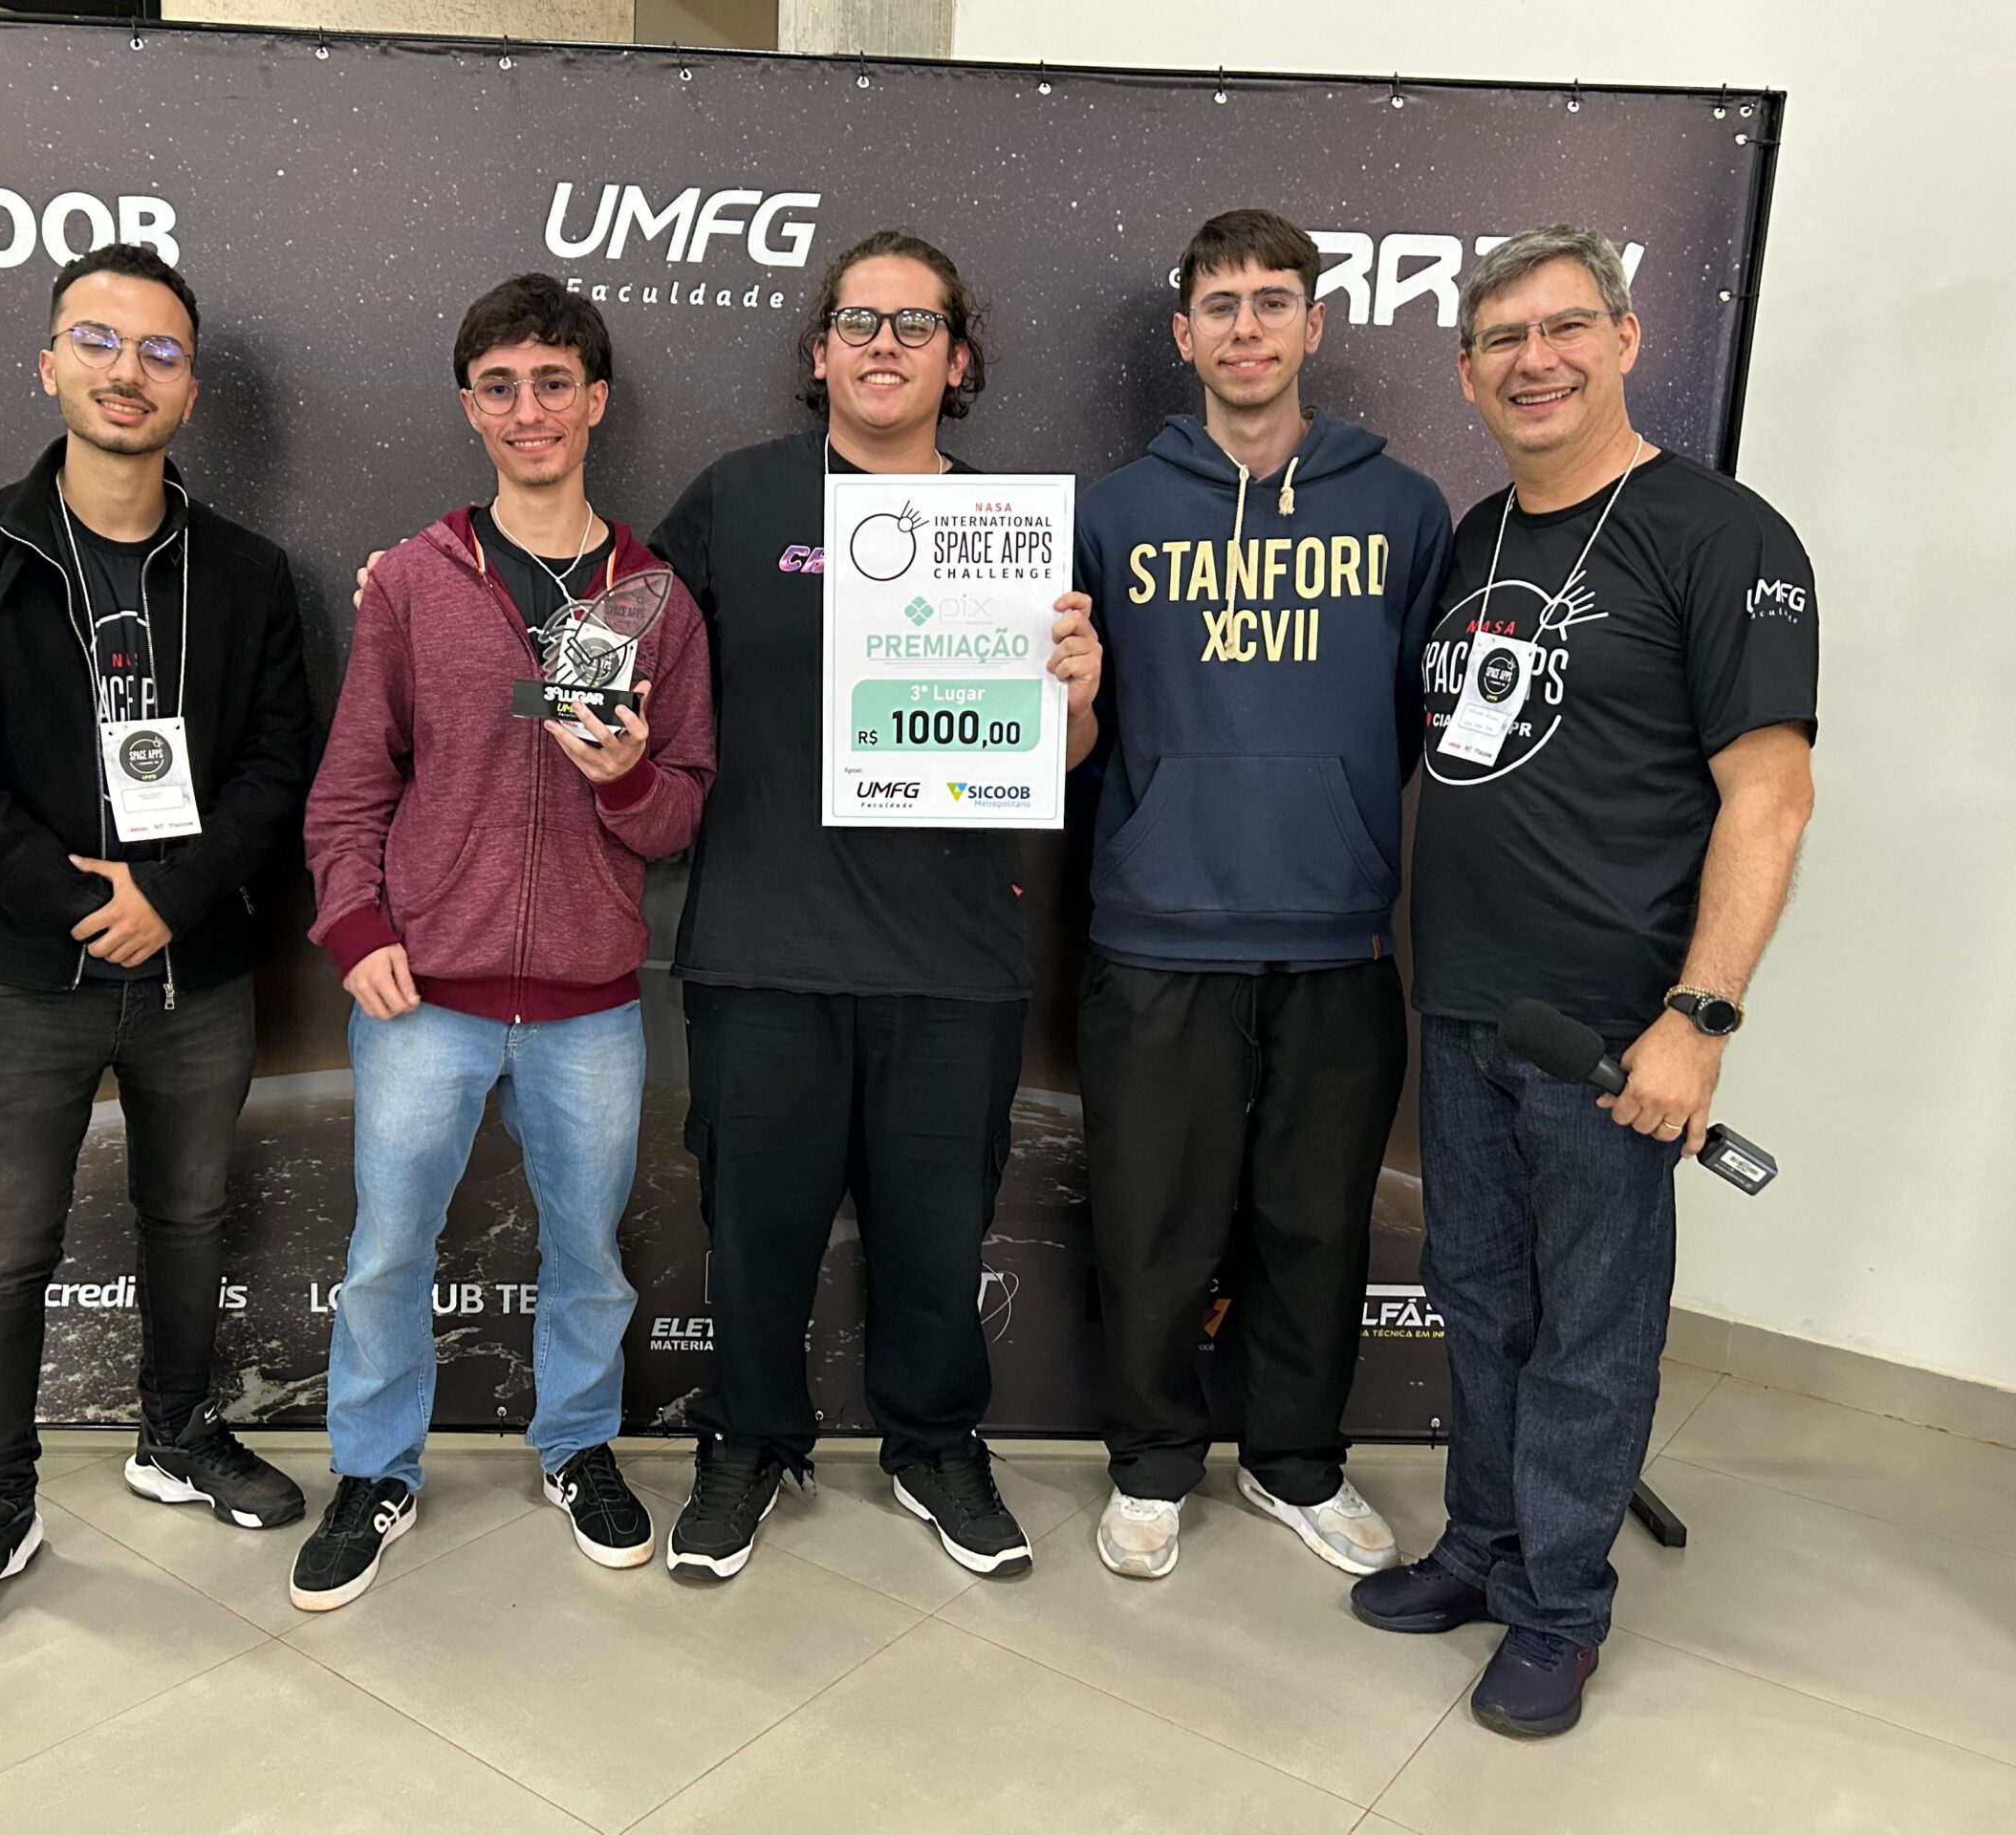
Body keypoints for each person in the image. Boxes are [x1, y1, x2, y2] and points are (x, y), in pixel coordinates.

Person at [1350, 226, 1817, 1738]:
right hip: (1467, 1004)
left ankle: (1559, 1608)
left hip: (1615, 1030)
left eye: (1564, 328)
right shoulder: (1479, 535)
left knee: (1592, 1330)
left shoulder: (1721, 535)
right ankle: (1484, 1549)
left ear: (1624, 338)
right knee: (1479, 1300)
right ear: (1465, 371)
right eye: (1502, 339)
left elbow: (1771, 798)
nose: (1533, 360)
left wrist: (1700, 1020)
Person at [646, 229, 1102, 1580]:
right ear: (819, 351)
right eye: (858, 321)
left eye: (916, 324)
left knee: (934, 1240)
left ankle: (936, 1445)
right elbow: (612, 643)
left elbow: (1062, 757)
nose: (884, 345)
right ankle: (746, 1444)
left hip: (952, 962)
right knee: (756, 1238)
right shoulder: (740, 496)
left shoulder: (1014, 529)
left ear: (958, 359)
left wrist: (1077, 698)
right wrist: (428, 594)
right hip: (764, 948)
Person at [0, 242, 313, 1647]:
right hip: (22, 974)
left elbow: (279, 763)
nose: (130, 372)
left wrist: (172, 898)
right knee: (4, 1246)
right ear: (50, 364)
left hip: (195, 970)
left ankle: (174, 1436)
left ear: (190, 390)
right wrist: (76, 902)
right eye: (100, 342)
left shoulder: (246, 572)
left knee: (189, 1216)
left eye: (161, 351)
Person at [293, 275, 714, 1612]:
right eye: (500, 386)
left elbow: (683, 809)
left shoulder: (656, 600)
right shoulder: (415, 582)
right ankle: (373, 1470)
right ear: (470, 408)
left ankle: (578, 1447)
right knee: (387, 1252)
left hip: (591, 1003)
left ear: (596, 402)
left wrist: (629, 778)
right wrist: (355, 921)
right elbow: (351, 782)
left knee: (588, 1252)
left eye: (553, 383)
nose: (529, 410)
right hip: (425, 996)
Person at [1072, 207, 1452, 1582]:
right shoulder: (1111, 513)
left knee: (1317, 1224)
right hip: (1158, 928)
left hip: (1336, 933)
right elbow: (1074, 729)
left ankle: (1297, 1465)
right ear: (1184, 335)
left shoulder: (1404, 509)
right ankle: (1150, 1466)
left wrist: (1321, 812)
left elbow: (1416, 716)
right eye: (1221, 305)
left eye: (1272, 301)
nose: (1247, 327)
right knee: (1154, 1226)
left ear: (1314, 324)